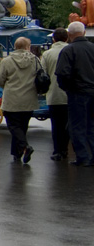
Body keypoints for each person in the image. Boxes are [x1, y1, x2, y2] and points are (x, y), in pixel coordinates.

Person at [54, 21, 94, 167]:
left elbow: (62, 73)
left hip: (77, 93)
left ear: (69, 35)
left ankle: (83, 157)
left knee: (77, 125)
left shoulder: (68, 51)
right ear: (84, 33)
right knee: (91, 125)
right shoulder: (92, 48)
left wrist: (68, 88)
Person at [0, 36, 39, 163]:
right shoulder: (35, 60)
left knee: (13, 126)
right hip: (29, 98)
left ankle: (25, 147)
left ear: (15, 47)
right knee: (22, 126)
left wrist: (8, 86)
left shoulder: (6, 61)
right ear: (27, 47)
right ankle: (17, 153)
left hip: (12, 98)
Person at [41, 28, 70, 161]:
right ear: (67, 38)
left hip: (54, 95)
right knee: (71, 123)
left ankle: (59, 150)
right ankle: (71, 149)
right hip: (71, 95)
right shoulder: (72, 50)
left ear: (54, 39)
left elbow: (43, 75)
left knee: (57, 125)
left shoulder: (47, 54)